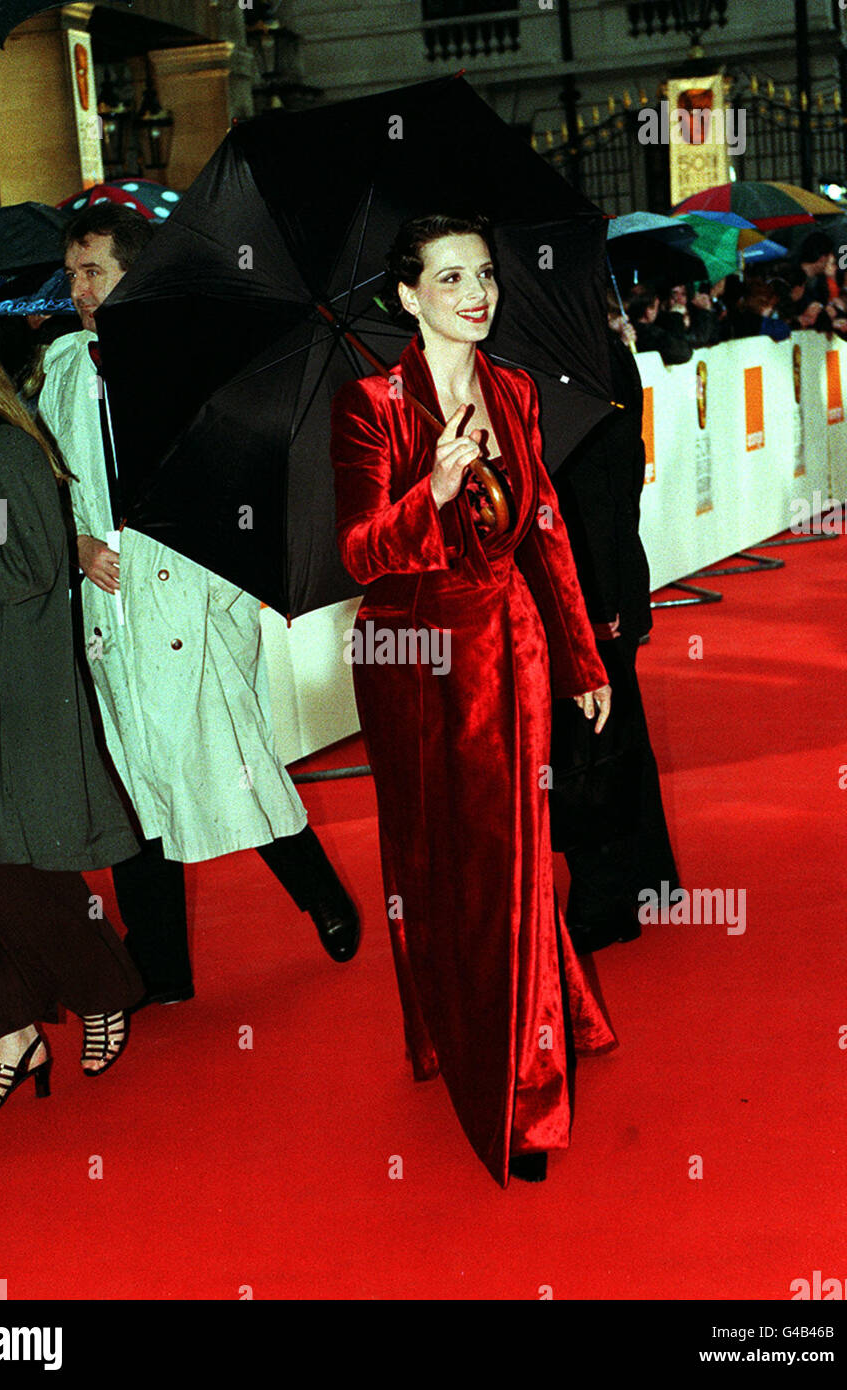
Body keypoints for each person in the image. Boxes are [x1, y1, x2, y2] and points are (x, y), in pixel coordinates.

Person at [331, 213, 617, 1186]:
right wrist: (435, 489)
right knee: (428, 850)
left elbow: (545, 527)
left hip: (508, 645)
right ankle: (441, 1024)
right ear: (407, 297)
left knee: (513, 849)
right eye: (449, 279)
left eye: (483, 273)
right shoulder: (370, 405)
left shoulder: (517, 389)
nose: (475, 293)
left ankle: (527, 1091)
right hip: (409, 653)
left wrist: (584, 657)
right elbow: (361, 554)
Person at [39, 203, 360, 1004]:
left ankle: (321, 895)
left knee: (234, 764)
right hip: (108, 597)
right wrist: (75, 550)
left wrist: (244, 572)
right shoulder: (64, 370)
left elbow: (251, 476)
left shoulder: (194, 362)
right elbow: (50, 485)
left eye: (94, 271)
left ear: (134, 273)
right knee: (132, 785)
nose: (78, 288)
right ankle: (159, 966)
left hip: (190, 591)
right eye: (72, 272)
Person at [0, 294, 144, 1116]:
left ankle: (103, 985)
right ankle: (11, 1030)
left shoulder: (5, 448)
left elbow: (30, 569)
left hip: (6, 691)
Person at [550, 325, 681, 952]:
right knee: (618, 730)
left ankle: (605, 901)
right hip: (606, 580)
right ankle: (649, 880)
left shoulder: (567, 361)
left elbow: (598, 487)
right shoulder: (597, 348)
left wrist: (597, 606)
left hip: (589, 588)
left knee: (584, 742)